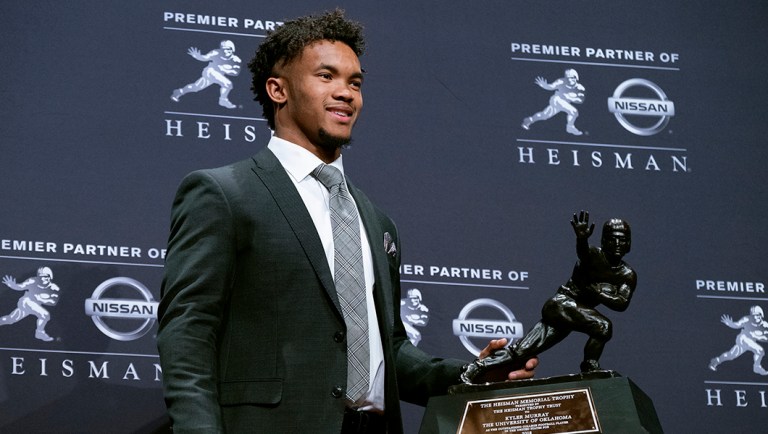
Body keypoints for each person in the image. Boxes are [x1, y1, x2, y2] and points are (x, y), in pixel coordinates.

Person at [157, 10, 536, 434]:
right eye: (326, 77)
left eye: (354, 82)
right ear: (278, 89)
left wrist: (467, 376)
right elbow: (188, 331)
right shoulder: (224, 194)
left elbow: (386, 349)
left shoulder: (376, 221)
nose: (346, 93)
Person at [462, 211, 634, 383]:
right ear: (604, 241)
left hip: (574, 314)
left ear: (629, 244)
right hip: (562, 304)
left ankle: (475, 368)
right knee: (603, 327)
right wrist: (581, 239)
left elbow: (621, 303)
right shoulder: (594, 256)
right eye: (613, 239)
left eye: (623, 239)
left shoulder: (627, 275)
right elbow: (584, 254)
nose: (618, 244)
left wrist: (598, 293)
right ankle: (589, 365)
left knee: (522, 351)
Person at [170, 40, 242, 109]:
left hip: (218, 75)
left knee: (195, 87)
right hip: (210, 71)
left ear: (232, 49)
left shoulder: (236, 60)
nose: (226, 51)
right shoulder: (216, 52)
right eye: (224, 49)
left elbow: (235, 72)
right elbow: (205, 57)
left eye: (228, 49)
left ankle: (179, 92)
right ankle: (223, 100)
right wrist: (198, 56)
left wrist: (225, 69)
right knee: (227, 84)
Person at [1, 267, 60, 342]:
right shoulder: (32, 281)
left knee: (10, 319)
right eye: (41, 276)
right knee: (45, 315)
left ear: (50, 276)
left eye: (45, 276)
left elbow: (53, 302)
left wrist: (41, 299)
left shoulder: (54, 288)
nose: (43, 279)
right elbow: (20, 286)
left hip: (35, 305)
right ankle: (39, 333)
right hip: (26, 302)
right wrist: (12, 285)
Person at [521, 69, 585, 136]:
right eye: (568, 78)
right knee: (574, 111)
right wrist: (545, 86)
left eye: (572, 78)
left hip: (564, 103)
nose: (569, 80)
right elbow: (552, 86)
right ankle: (570, 127)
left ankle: (529, 120)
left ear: (576, 77)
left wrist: (569, 97)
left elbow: (580, 100)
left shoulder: (580, 88)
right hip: (556, 100)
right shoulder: (561, 81)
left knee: (544, 115)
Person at [709, 306, 768, 375]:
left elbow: (766, 339)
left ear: (761, 315)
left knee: (730, 355)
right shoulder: (747, 319)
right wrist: (731, 324)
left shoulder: (765, 325)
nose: (755, 317)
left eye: (757, 315)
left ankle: (716, 361)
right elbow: (737, 324)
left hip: (750, 342)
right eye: (753, 315)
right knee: (760, 350)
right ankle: (757, 367)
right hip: (743, 338)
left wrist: (757, 336)